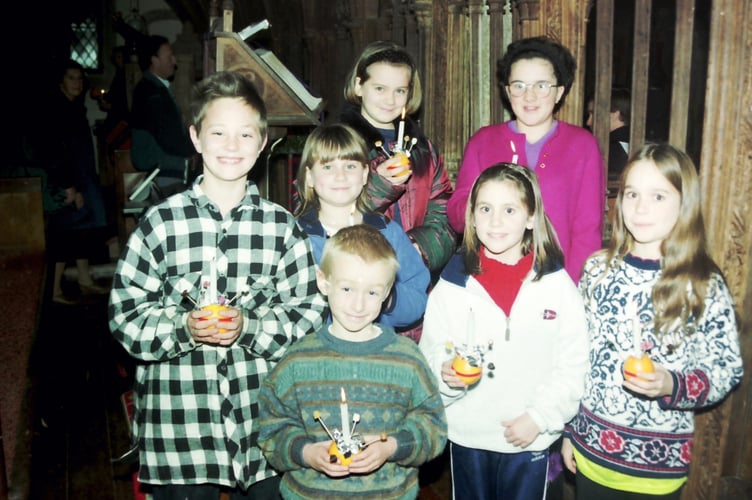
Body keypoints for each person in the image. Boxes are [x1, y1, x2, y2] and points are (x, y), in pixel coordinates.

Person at [108, 71, 327, 499]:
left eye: (245, 134)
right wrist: (182, 328)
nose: (231, 146)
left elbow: (308, 314)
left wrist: (250, 328)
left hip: (262, 424)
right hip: (181, 426)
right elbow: (125, 316)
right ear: (195, 137)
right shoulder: (161, 223)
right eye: (219, 132)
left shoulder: (281, 227)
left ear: (262, 143)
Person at [561, 143, 744, 499]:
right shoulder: (597, 271)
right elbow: (575, 358)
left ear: (683, 203)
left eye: (658, 196)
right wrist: (569, 431)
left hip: (656, 468)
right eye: (632, 194)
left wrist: (670, 385)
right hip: (590, 450)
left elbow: (727, 369)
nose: (641, 208)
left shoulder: (700, 283)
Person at [419, 163, 589, 499]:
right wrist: (446, 376)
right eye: (485, 209)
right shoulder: (452, 286)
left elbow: (574, 364)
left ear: (530, 218)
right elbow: (431, 355)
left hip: (530, 435)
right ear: (472, 216)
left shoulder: (557, 286)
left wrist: (541, 418)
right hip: (469, 435)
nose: (495, 221)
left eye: (509, 209)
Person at [257, 224, 447, 499]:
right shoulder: (297, 361)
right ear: (324, 282)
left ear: (386, 292)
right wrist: (307, 453)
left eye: (372, 292)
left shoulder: (407, 359)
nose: (358, 305)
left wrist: (392, 446)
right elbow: (272, 428)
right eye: (347, 288)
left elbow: (433, 426)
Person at [446, 36, 605, 282]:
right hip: (489, 277)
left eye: (541, 86)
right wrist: (481, 206)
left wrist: (571, 289)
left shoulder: (582, 145)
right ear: (508, 91)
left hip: (556, 279)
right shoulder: (483, 141)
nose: (529, 97)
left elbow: (587, 229)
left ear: (559, 91)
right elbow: (458, 216)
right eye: (519, 86)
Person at [295, 123, 431, 336]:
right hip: (315, 351)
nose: (340, 176)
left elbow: (417, 297)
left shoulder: (388, 233)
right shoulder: (295, 237)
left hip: (375, 351)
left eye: (350, 166)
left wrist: (384, 296)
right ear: (310, 177)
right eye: (328, 167)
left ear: (366, 173)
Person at [340, 40, 456, 280]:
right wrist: (381, 183)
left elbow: (444, 213)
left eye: (399, 91)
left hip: (416, 271)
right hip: (358, 273)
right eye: (380, 88)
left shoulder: (423, 150)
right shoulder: (336, 145)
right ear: (359, 86)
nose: (390, 100)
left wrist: (418, 250)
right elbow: (320, 214)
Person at [29, 59, 111, 304]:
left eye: (79, 78)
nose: (77, 83)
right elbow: (53, 152)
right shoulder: (56, 109)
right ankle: (54, 291)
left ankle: (85, 281)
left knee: (82, 231)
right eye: (71, 78)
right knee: (64, 235)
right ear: (60, 82)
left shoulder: (74, 107)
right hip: (67, 182)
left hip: (82, 177)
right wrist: (68, 187)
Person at [129, 34, 195, 195]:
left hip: (163, 166)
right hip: (164, 171)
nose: (174, 61)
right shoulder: (152, 92)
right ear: (154, 60)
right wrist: (192, 150)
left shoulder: (153, 87)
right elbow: (168, 135)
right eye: (169, 56)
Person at [586, 88, 631, 181]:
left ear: (615, 114)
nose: (588, 122)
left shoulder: (609, 150)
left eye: (594, 114)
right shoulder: (638, 144)